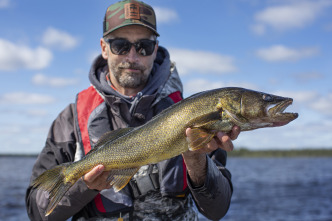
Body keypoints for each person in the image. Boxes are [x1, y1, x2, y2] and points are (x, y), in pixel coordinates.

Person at [25, 0, 240, 220]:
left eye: (143, 47)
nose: (132, 57)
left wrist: (197, 161)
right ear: (104, 48)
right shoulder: (69, 120)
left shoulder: (194, 113)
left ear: (155, 50)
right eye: (120, 45)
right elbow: (37, 212)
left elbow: (218, 210)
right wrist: (83, 185)